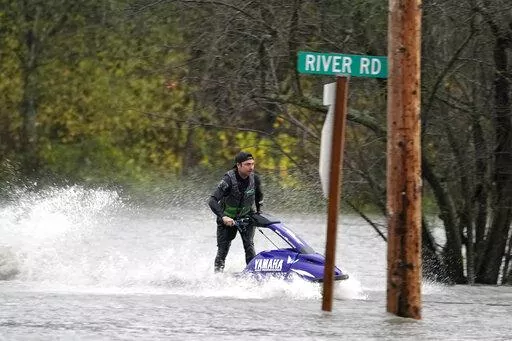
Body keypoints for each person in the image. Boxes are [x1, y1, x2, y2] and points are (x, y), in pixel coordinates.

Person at [208, 151, 263, 272]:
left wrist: (259, 212)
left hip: (246, 218)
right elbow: (212, 200)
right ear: (238, 165)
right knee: (223, 250)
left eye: (253, 164)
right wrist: (223, 217)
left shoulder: (255, 179)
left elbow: (259, 196)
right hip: (227, 220)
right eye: (247, 164)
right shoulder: (228, 180)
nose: (251, 167)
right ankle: (217, 277)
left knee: (249, 246)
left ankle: (252, 276)